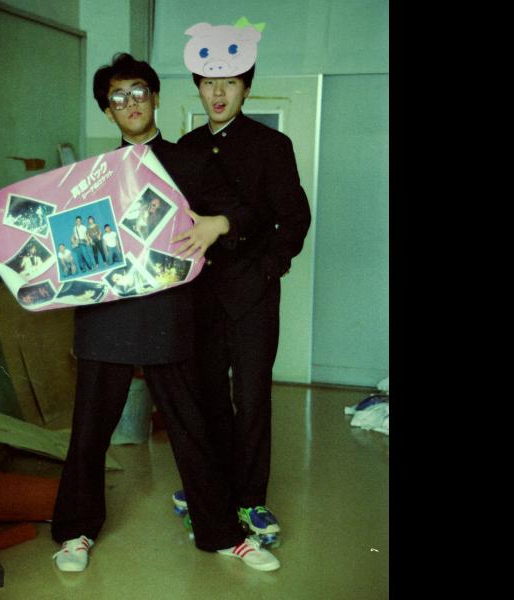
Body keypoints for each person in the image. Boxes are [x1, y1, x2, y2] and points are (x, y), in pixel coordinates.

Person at [0, 52, 279, 574]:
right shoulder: (87, 179)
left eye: (139, 91)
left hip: (169, 316)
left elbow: (249, 211)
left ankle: (222, 532)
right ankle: (75, 532)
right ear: (107, 112)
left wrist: (218, 224)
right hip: (104, 319)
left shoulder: (190, 161)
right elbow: (41, 238)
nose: (130, 103)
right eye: (118, 97)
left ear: (155, 98)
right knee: (89, 430)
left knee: (192, 429)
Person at [170, 23, 312, 545]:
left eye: (229, 81)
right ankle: (211, 490)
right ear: (198, 88)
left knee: (251, 398)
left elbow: (295, 218)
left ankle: (251, 500)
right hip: (199, 295)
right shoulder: (183, 148)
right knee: (206, 395)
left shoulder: (272, 145)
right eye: (208, 82)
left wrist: (270, 267)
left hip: (253, 293)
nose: (219, 92)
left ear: (246, 86)